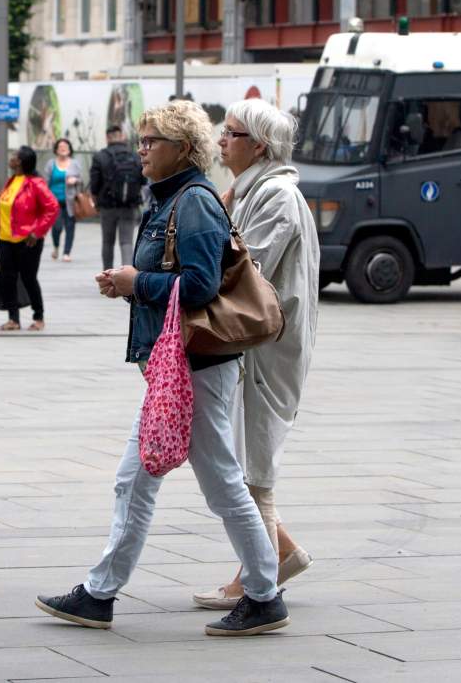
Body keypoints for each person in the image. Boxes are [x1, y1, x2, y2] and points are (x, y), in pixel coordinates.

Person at [35, 100, 290, 637]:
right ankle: (99, 593)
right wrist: (131, 285)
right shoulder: (172, 198)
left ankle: (264, 594)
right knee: (138, 479)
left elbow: (200, 285)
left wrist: (136, 284)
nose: (141, 149)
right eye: (142, 139)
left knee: (216, 481)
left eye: (151, 141)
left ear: (182, 149)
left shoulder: (192, 202)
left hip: (197, 364)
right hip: (178, 364)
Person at [192, 98, 319, 610]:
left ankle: (256, 584)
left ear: (259, 145)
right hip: (258, 343)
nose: (222, 141)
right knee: (246, 456)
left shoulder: (277, 195)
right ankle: (281, 553)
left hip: (269, 347)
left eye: (232, 133)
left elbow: (247, 268)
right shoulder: (254, 190)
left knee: (254, 467)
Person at [0, 145, 57, 331]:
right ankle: (13, 319)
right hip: (5, 238)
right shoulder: (12, 180)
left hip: (28, 240)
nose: (11, 158)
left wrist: (37, 231)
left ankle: (39, 316)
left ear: (20, 161)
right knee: (8, 278)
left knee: (29, 278)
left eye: (14, 156)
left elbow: (52, 208)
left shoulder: (36, 183)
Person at [90, 124, 146, 269]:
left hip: (107, 206)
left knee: (107, 242)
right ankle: (127, 277)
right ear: (123, 136)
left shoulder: (100, 156)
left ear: (107, 137)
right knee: (126, 242)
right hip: (130, 205)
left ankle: (107, 276)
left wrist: (96, 202)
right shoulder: (135, 156)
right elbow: (143, 180)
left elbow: (94, 185)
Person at [45, 137, 82, 262]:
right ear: (56, 149)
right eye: (60, 147)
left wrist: (75, 180)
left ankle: (67, 253)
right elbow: (45, 181)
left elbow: (81, 180)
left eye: (65, 146)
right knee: (57, 227)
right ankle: (56, 247)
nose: (63, 148)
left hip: (71, 201)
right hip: (53, 201)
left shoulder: (75, 163)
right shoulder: (51, 163)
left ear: (69, 149)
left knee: (70, 227)